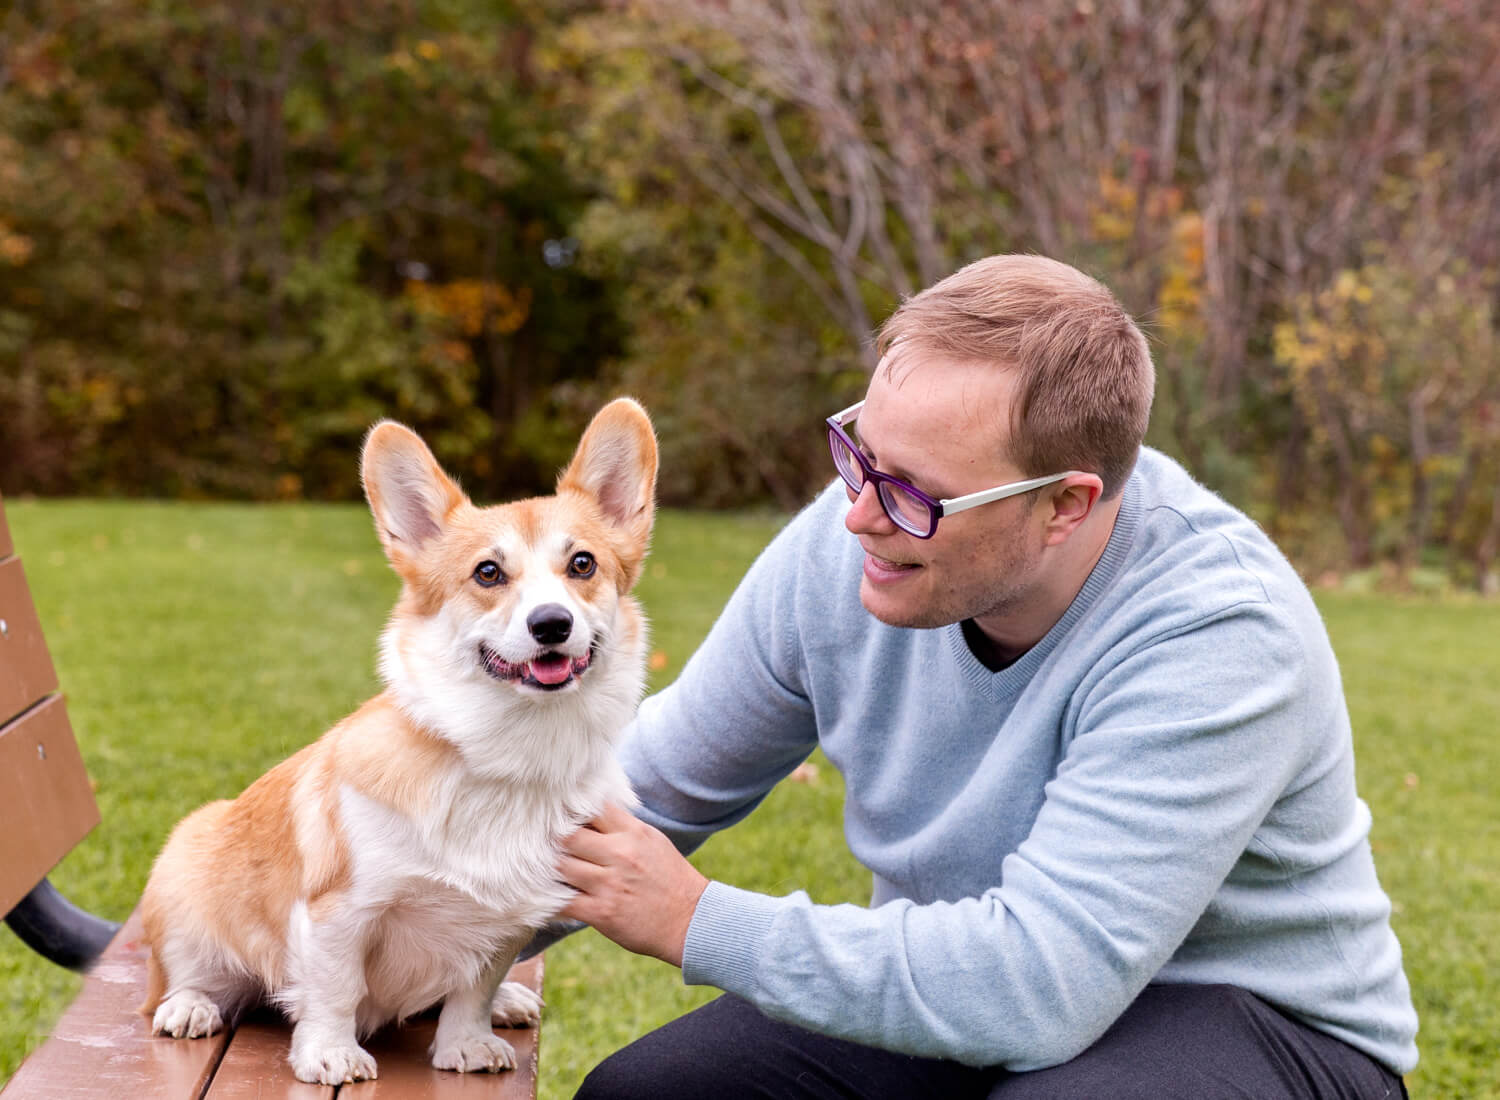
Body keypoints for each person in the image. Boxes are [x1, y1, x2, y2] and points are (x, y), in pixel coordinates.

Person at [551, 254, 1418, 1098]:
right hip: (970, 966)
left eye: (915, 495)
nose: (858, 514)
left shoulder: (1218, 629)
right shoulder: (858, 540)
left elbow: (1036, 986)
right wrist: (421, 933)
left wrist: (697, 918)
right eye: (860, 453)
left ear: (1065, 505)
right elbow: (644, 790)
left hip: (1253, 1018)